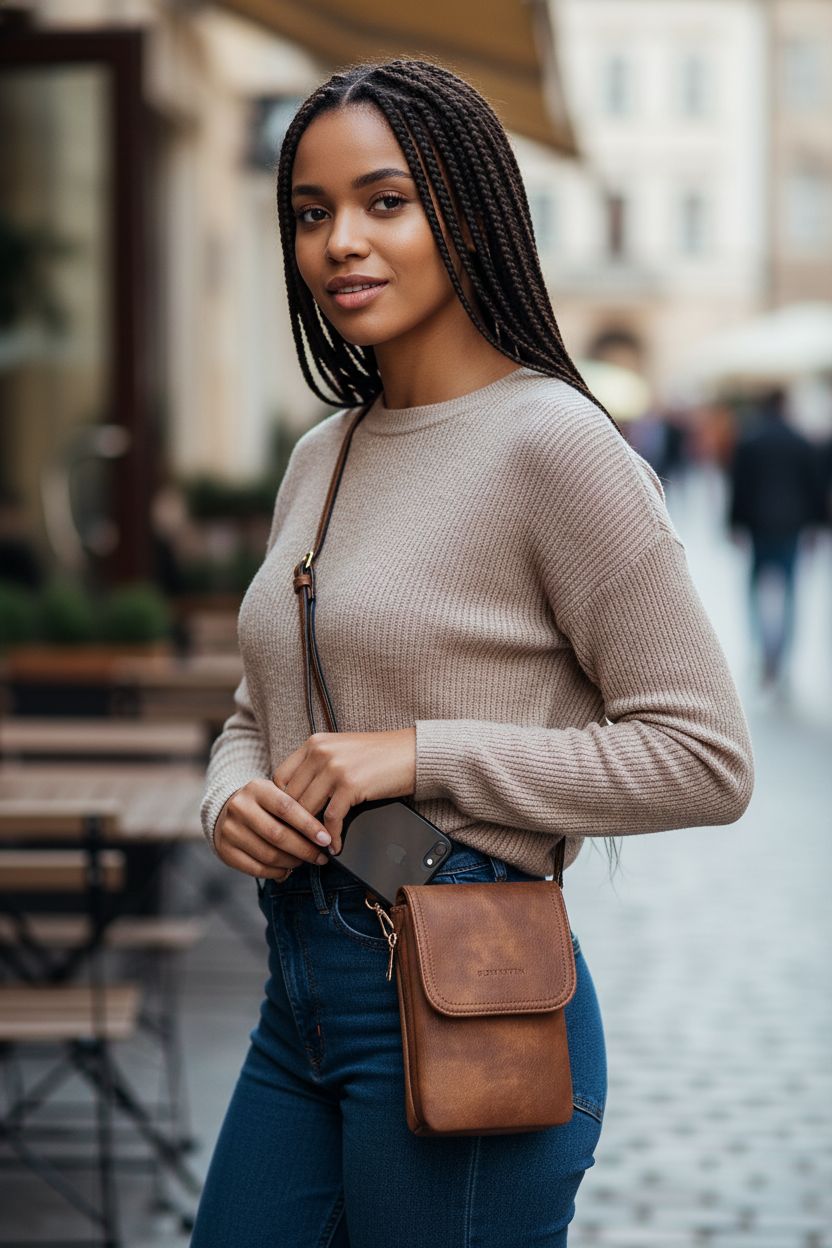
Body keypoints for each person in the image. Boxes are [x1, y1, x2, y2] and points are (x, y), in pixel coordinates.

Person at [190, 59, 754, 1247]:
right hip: (299, 993)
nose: (342, 240)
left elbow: (705, 758)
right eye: (310, 211)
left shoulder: (555, 446)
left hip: (466, 988)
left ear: (470, 208)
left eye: (385, 201)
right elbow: (261, 706)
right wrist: (231, 793)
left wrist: (419, 752)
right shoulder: (322, 455)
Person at [727, 387, 826, 690]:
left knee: (755, 591)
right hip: (791, 526)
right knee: (790, 592)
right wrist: (816, 525)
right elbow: (814, 487)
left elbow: (739, 487)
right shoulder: (800, 441)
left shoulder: (750, 440)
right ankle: (782, 658)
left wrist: (734, 524)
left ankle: (762, 652)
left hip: (759, 526)